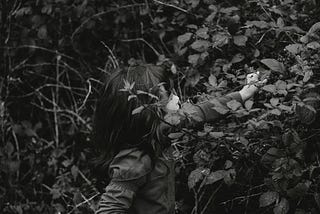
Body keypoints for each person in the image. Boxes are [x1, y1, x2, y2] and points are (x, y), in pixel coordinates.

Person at [93, 63, 266, 214]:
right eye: (167, 96)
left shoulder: (163, 129)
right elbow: (109, 209)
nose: (176, 98)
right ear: (146, 112)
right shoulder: (134, 162)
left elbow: (202, 111)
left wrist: (243, 94)